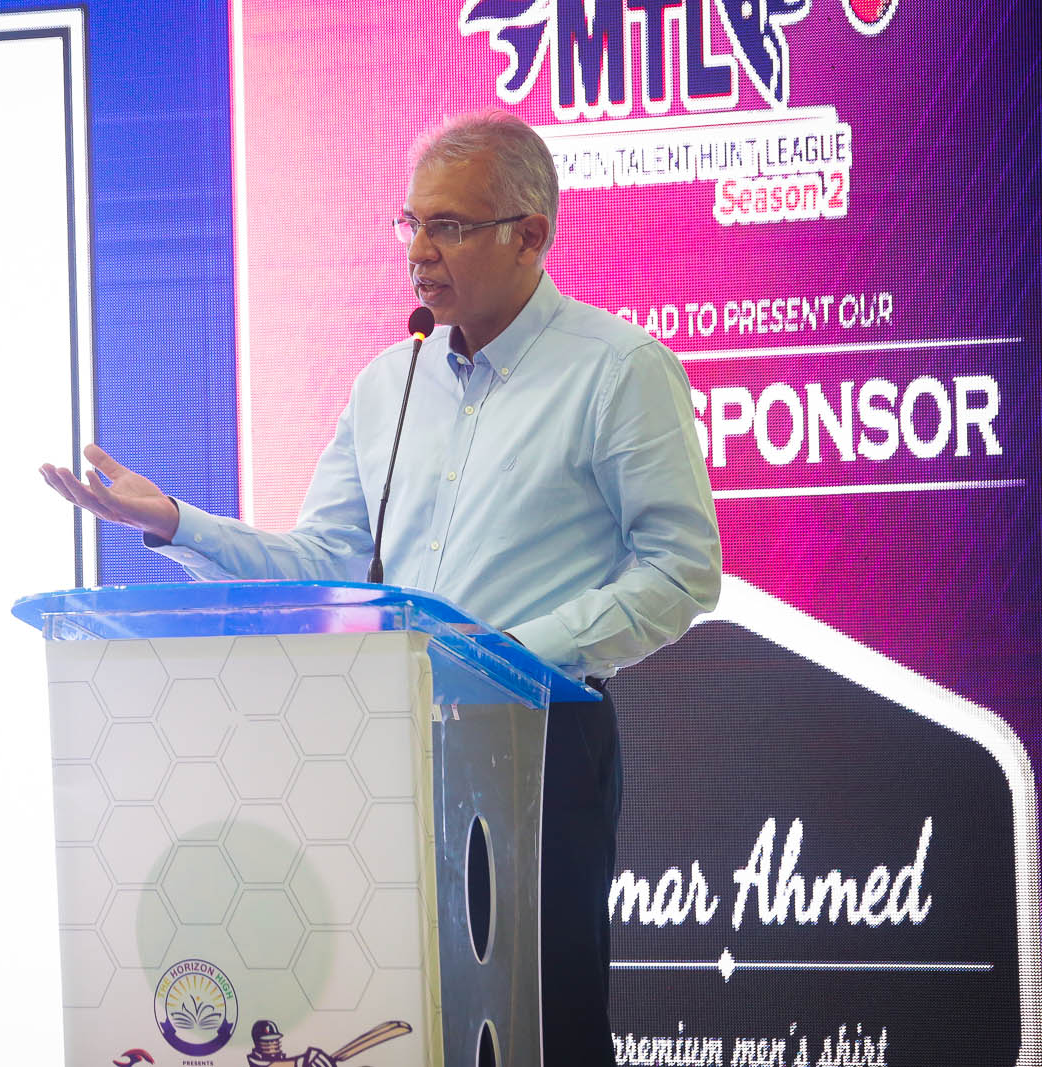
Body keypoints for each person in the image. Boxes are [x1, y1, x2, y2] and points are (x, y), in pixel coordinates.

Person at [41, 111, 721, 1066]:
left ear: (530, 234)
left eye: (450, 226)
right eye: (411, 223)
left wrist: (507, 658)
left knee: (544, 1023)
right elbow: (324, 562)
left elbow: (681, 568)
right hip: (385, 746)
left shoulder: (617, 371)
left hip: (536, 743)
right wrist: (176, 523)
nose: (420, 252)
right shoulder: (387, 384)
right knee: (408, 1015)